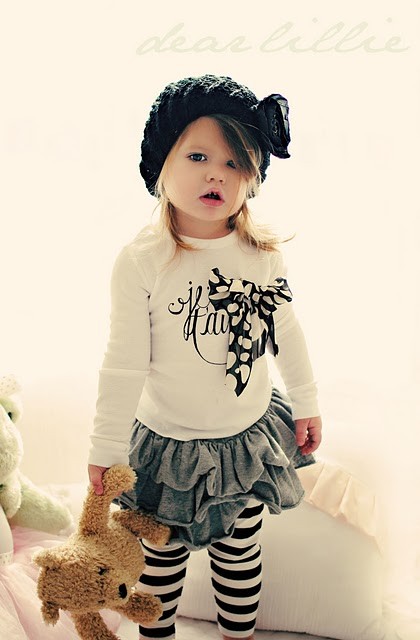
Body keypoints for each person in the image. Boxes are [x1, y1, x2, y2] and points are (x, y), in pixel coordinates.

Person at [88, 74, 322, 640]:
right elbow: (123, 362)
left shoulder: (259, 255)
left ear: (253, 179)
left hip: (244, 443)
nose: (216, 173)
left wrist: (307, 402)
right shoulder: (143, 260)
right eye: (197, 156)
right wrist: (105, 448)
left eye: (235, 163)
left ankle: (237, 635)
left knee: (240, 556)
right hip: (166, 446)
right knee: (159, 561)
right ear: (160, 166)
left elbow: (285, 330)